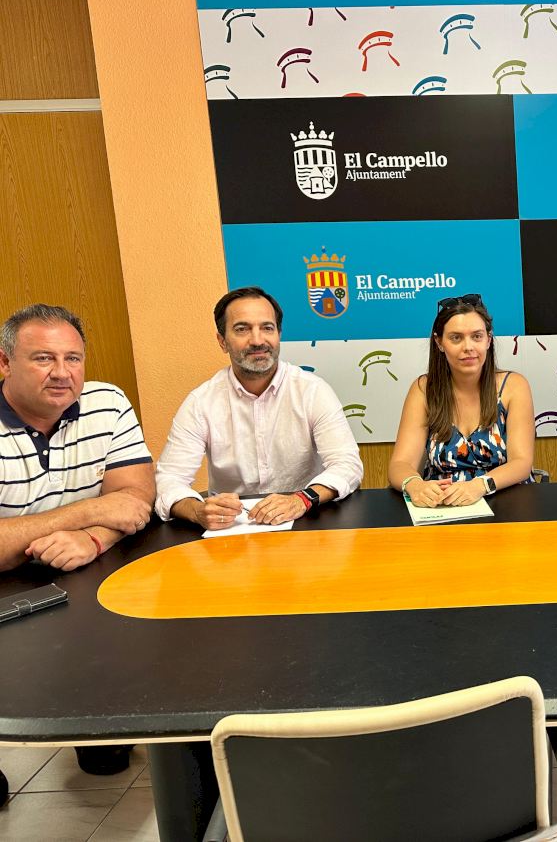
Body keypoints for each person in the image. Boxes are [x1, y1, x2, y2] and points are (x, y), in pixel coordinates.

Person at [0, 304, 155, 776]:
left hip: (76, 569)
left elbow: (135, 500)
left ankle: (93, 723)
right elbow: (110, 505)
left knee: (106, 759)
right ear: (5, 363)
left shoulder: (108, 402)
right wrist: (88, 512)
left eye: (73, 358)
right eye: (43, 358)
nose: (62, 373)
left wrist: (91, 540)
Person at [155, 287, 362, 528]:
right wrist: (198, 511)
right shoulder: (201, 402)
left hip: (305, 519)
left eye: (267, 328)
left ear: (279, 334)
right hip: (231, 530)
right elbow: (170, 479)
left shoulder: (312, 390)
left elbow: (347, 465)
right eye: (242, 329)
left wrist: (302, 499)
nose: (257, 340)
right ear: (222, 341)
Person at [388, 294, 534, 506]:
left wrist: (480, 485)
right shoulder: (424, 390)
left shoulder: (514, 386)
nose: (468, 347)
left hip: (505, 500)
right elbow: (400, 464)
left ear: (488, 340)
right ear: (439, 342)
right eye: (456, 338)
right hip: (442, 505)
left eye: (477, 336)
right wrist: (415, 484)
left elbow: (522, 463)